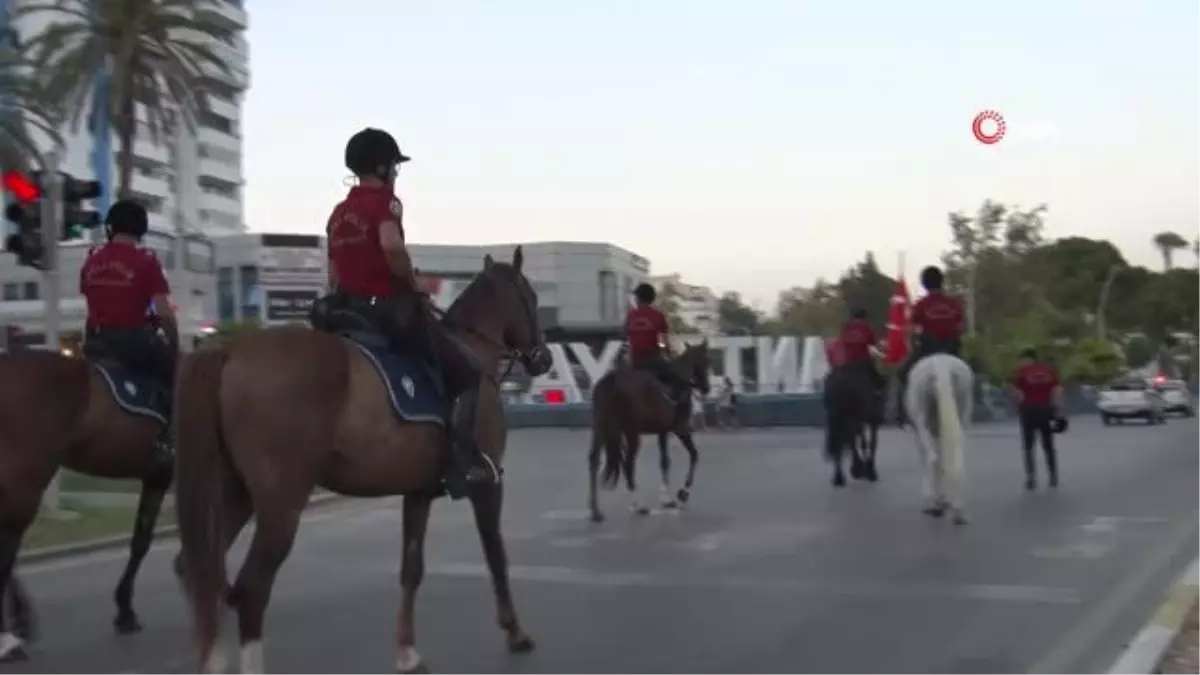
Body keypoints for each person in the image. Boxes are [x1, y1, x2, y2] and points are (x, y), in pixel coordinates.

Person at [320, 127, 497, 497]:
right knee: (465, 374)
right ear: (383, 168)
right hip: (385, 311)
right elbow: (391, 248)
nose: (396, 175)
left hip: (346, 313)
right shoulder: (385, 202)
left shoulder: (338, 214)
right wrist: (412, 281)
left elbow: (333, 273)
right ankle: (459, 464)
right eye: (395, 168)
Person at [79, 200, 177, 465]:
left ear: (111, 227)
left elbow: (90, 304)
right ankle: (168, 442)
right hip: (135, 341)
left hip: (98, 342)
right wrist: (173, 343)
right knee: (179, 377)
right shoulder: (146, 261)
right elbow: (163, 311)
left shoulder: (92, 259)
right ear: (141, 229)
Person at [894, 265, 965, 423]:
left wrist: (913, 344)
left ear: (924, 284)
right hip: (952, 350)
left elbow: (913, 331)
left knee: (901, 373)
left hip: (927, 350)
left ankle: (902, 413)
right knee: (968, 373)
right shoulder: (954, 305)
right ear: (942, 282)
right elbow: (961, 329)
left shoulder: (921, 305)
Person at [625, 283, 689, 399]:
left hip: (634, 361)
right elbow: (665, 342)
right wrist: (668, 354)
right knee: (679, 378)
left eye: (636, 297)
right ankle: (674, 401)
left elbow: (627, 338)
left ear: (639, 298)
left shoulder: (631, 315)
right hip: (652, 360)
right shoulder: (658, 315)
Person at [1010, 347, 1062, 489]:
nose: (1022, 363)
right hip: (1046, 411)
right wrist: (1057, 411)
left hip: (1028, 411)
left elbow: (1017, 393)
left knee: (1028, 446)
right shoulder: (1050, 371)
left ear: (1028, 359)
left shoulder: (1022, 373)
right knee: (1049, 445)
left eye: (1023, 360)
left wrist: (1017, 407)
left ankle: (1031, 478)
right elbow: (1057, 391)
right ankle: (1053, 476)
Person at [838, 308, 884, 390]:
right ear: (864, 317)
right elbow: (872, 343)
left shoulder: (847, 327)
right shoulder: (866, 327)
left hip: (848, 361)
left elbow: (842, 342)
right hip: (863, 361)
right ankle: (878, 392)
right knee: (879, 381)